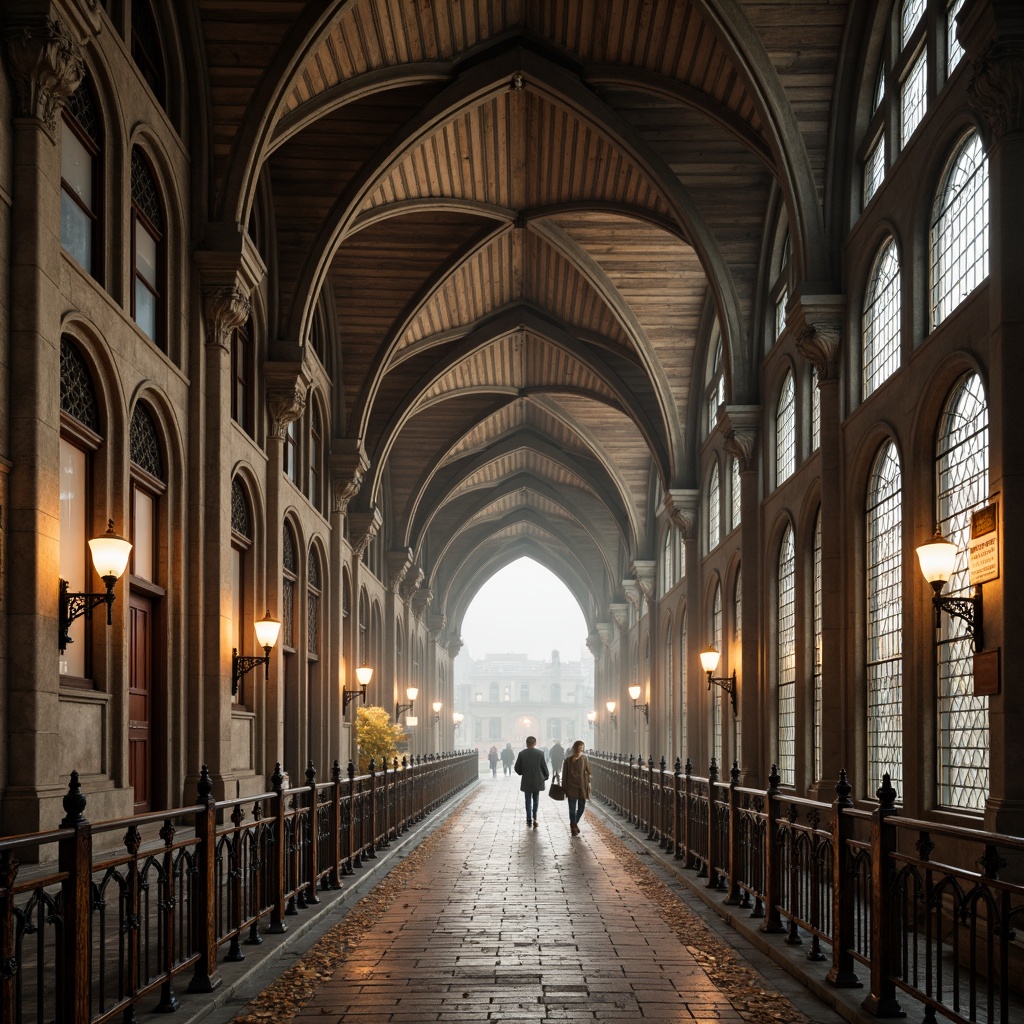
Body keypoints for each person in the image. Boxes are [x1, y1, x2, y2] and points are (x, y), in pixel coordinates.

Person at [514, 736, 549, 828]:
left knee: (528, 800)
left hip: (526, 779)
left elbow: (517, 767)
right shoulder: (540, 753)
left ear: (526, 743)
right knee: (536, 799)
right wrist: (545, 776)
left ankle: (528, 818)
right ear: (535, 743)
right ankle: (534, 816)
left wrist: (522, 772)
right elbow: (544, 766)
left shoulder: (522, 754)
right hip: (537, 779)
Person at [561, 740, 592, 836]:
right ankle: (573, 826)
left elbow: (589, 771)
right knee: (572, 808)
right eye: (579, 746)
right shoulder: (568, 760)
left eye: (582, 747)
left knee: (581, 807)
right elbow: (564, 775)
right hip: (571, 787)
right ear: (575, 747)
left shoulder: (584, 758)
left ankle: (574, 823)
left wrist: (588, 778)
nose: (581, 748)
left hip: (582, 787)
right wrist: (564, 788)